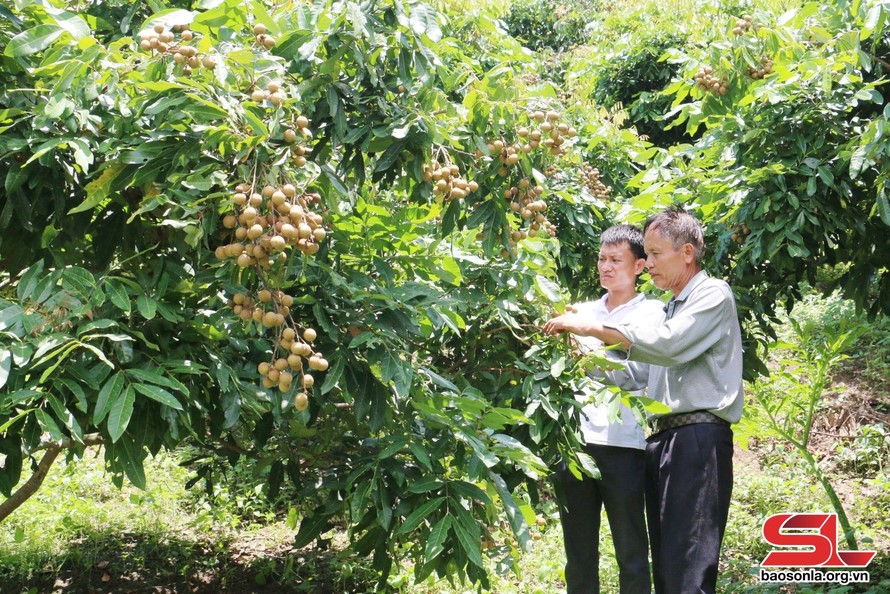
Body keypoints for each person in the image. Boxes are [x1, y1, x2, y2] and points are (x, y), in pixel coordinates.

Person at [544, 206, 744, 594]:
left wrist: (594, 327)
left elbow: (669, 347)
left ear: (686, 253)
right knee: (668, 561)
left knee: (689, 561)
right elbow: (635, 376)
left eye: (654, 254)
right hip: (664, 441)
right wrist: (573, 354)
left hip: (697, 438)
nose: (648, 264)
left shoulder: (711, 294)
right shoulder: (672, 306)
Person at [556, 224, 664, 594]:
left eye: (616, 259)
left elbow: (636, 375)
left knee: (632, 552)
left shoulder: (651, 314)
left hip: (624, 446)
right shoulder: (581, 311)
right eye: (602, 258)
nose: (606, 266)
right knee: (578, 554)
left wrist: (584, 350)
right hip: (574, 446)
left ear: (639, 266)